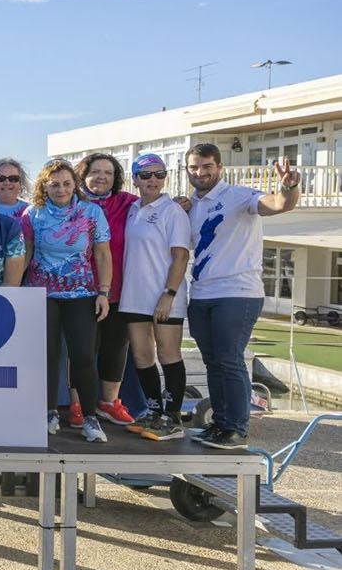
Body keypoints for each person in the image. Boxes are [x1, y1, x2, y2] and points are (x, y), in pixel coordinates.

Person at [181, 144, 299, 449]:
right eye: (194, 167)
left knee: (229, 359)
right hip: (201, 293)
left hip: (237, 293)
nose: (200, 172)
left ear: (219, 168)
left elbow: (278, 204)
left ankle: (236, 428)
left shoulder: (240, 196)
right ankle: (220, 424)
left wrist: (288, 188)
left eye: (207, 166)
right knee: (212, 362)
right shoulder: (190, 205)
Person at [22, 159, 113, 442]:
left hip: (81, 293)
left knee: (83, 355)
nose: (60, 189)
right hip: (42, 293)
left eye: (66, 184)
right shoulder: (32, 214)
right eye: (54, 184)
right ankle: (48, 412)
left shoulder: (91, 212)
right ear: (44, 186)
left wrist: (104, 293)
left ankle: (89, 417)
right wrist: (12, 290)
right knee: (47, 355)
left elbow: (103, 254)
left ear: (75, 185)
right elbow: (26, 252)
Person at [120, 153, 191, 441]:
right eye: (146, 174)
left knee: (168, 354)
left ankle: (172, 418)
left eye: (159, 174)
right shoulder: (132, 208)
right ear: (135, 179)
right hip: (134, 294)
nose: (153, 180)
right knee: (141, 355)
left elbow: (181, 255)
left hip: (164, 294)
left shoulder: (172, 211)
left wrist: (168, 294)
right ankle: (153, 411)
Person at [77, 152, 139, 427]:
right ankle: (78, 404)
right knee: (82, 349)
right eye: (95, 171)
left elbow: (157, 206)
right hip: (79, 287)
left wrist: (181, 203)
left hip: (116, 287)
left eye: (108, 173)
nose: (101, 177)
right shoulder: (72, 202)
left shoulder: (128, 202)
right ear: (84, 175)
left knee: (115, 346)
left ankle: (109, 402)